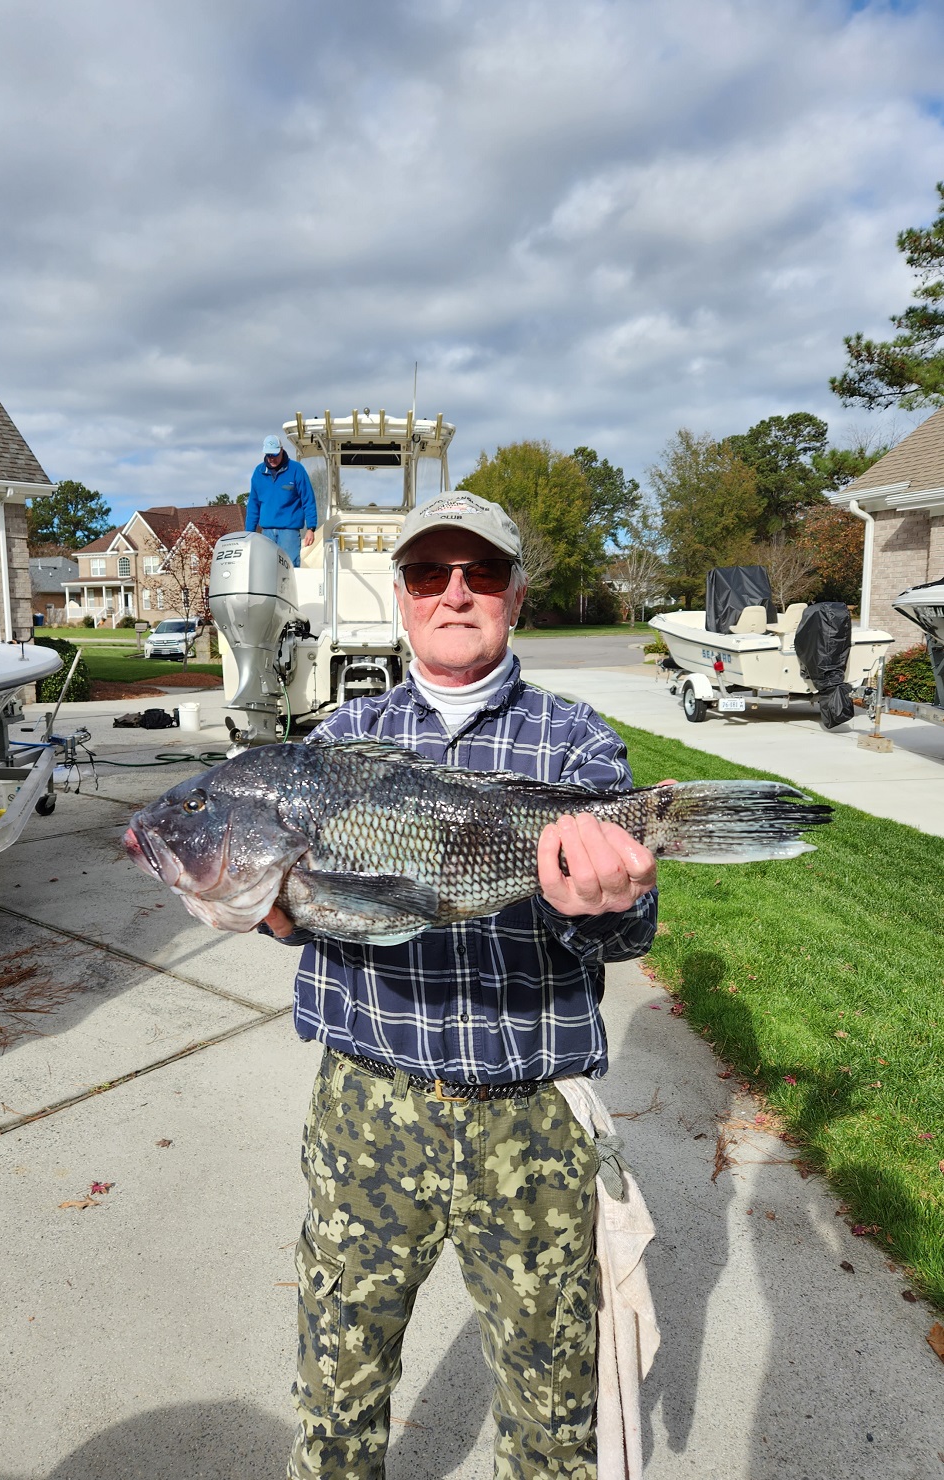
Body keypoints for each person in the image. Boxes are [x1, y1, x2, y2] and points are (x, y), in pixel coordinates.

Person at [263, 491, 659, 1480]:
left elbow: (628, 931)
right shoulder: (337, 741)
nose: (453, 593)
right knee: (335, 1388)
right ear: (400, 596)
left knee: (552, 1411)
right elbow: (307, 911)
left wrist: (600, 904)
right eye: (427, 574)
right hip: (368, 1111)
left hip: (532, 1119)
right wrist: (272, 906)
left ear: (515, 594)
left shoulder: (575, 743)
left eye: (479, 572)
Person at [245, 435, 318, 568]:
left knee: (289, 568)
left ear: (282, 450)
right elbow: (253, 506)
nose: (271, 458)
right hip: (267, 532)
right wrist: (249, 533)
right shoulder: (258, 472)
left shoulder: (296, 469)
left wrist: (311, 528)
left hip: (289, 532)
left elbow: (308, 499)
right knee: (267, 569)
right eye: (268, 455)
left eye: (274, 454)